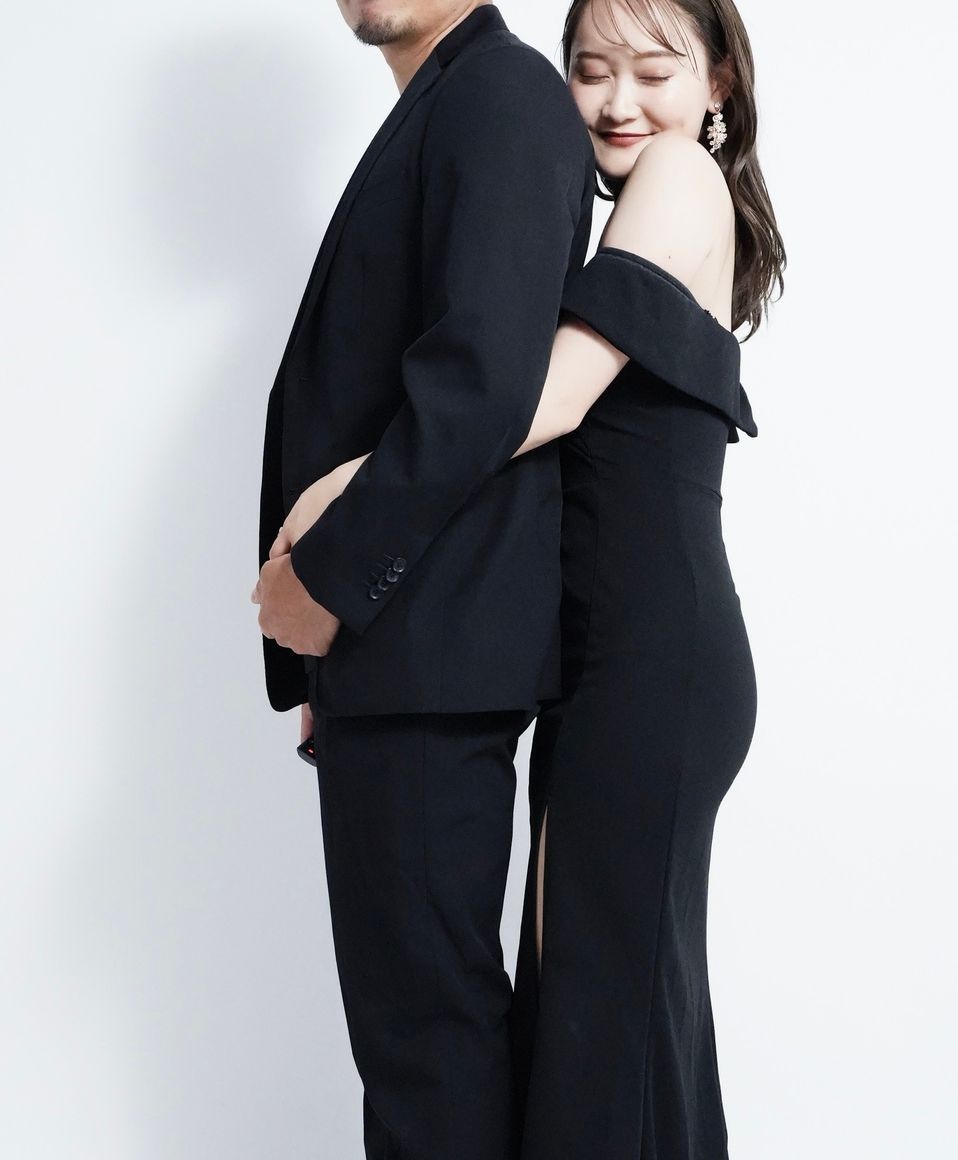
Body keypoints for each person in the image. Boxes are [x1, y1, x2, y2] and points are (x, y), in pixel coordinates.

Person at [268, 0, 786, 1155]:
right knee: (601, 1008)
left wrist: (339, 495)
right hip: (615, 656)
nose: (616, 100)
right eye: (590, 69)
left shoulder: (678, 181)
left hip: (653, 657)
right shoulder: (649, 200)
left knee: (605, 1014)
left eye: (652, 70)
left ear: (716, 84)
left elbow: (536, 396)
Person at [251, 3, 595, 1158]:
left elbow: (481, 383)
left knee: (426, 1046)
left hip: (426, 656)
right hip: (397, 658)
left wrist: (330, 587)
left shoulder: (500, 95)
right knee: (421, 1039)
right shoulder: (449, 100)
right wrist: (332, 659)